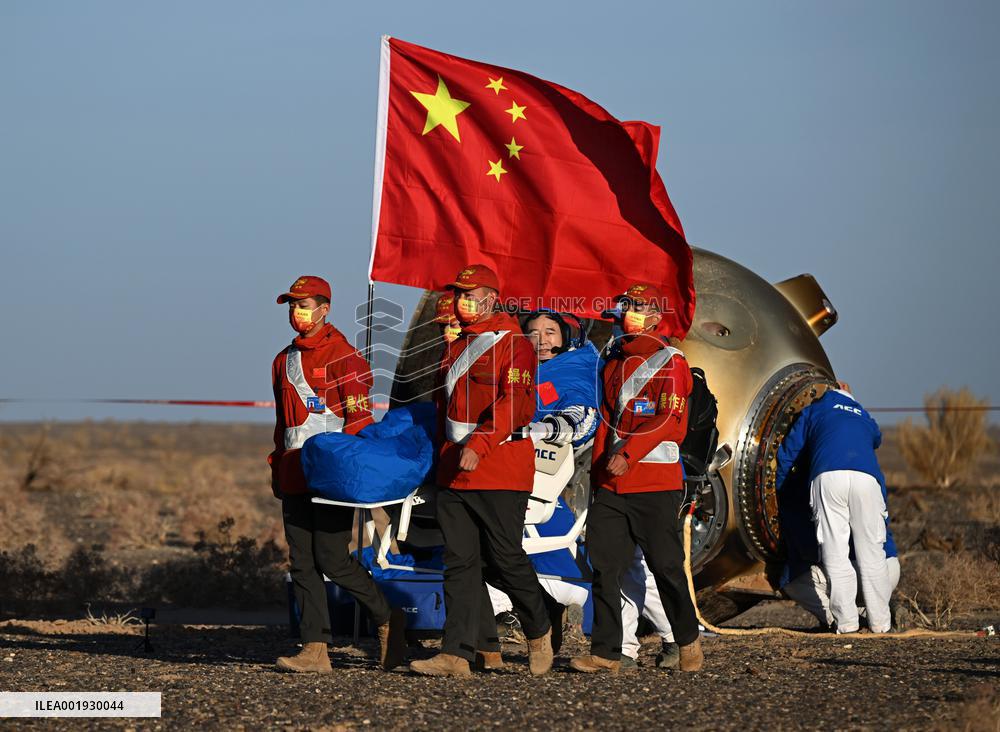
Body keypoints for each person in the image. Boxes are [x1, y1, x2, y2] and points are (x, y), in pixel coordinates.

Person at [410, 264, 554, 677]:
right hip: (455, 471)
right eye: (458, 295)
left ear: (491, 298)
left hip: (500, 467)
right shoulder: (457, 345)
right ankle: (456, 654)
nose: (461, 302)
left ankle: (538, 626)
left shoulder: (514, 345)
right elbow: (446, 411)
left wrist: (480, 443)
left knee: (506, 557)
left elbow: (514, 404)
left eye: (469, 295)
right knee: (459, 562)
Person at [269, 275, 406, 672]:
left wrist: (350, 476)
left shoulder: (347, 359)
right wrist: (277, 465)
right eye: (293, 305)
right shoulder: (283, 359)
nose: (298, 312)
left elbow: (358, 423)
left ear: (325, 309)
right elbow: (284, 425)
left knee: (331, 558)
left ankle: (386, 617)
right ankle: (315, 649)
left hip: (330, 477)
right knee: (301, 562)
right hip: (294, 473)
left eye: (305, 304)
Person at [570, 283, 703, 673]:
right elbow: (605, 424)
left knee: (665, 566)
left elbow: (667, 420)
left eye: (640, 307)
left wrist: (628, 455)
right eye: (627, 305)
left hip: (655, 485)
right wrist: (597, 475)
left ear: (657, 317)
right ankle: (607, 652)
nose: (630, 312)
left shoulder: (670, 363)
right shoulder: (612, 361)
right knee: (605, 565)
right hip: (611, 486)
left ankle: (688, 640)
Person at [484, 310, 601, 662]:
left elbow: (581, 413)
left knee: (496, 553)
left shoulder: (575, 369)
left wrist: (549, 427)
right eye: (532, 332)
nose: (541, 339)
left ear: (569, 337)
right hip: (494, 462)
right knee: (473, 554)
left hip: (537, 474)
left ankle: (539, 618)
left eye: (551, 331)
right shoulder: (511, 365)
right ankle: (487, 639)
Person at [775, 382, 894, 634]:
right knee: (871, 552)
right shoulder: (862, 413)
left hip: (828, 478)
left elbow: (788, 452)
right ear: (848, 391)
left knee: (835, 552)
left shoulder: (815, 410)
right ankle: (881, 623)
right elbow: (877, 437)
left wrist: (783, 490)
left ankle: (847, 622)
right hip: (866, 480)